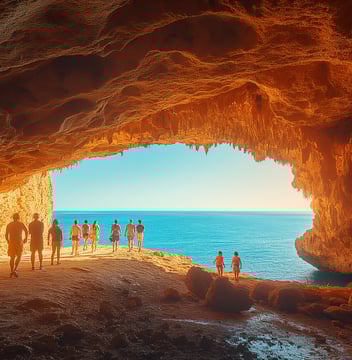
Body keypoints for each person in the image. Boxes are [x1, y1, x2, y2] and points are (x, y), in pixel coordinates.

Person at [5, 213, 28, 278]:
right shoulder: (21, 224)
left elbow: (6, 234)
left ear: (13, 218)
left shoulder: (9, 225)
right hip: (19, 241)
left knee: (12, 257)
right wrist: (25, 238)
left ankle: (11, 270)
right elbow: (26, 231)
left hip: (12, 241)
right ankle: (15, 269)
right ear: (19, 217)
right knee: (19, 255)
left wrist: (8, 241)